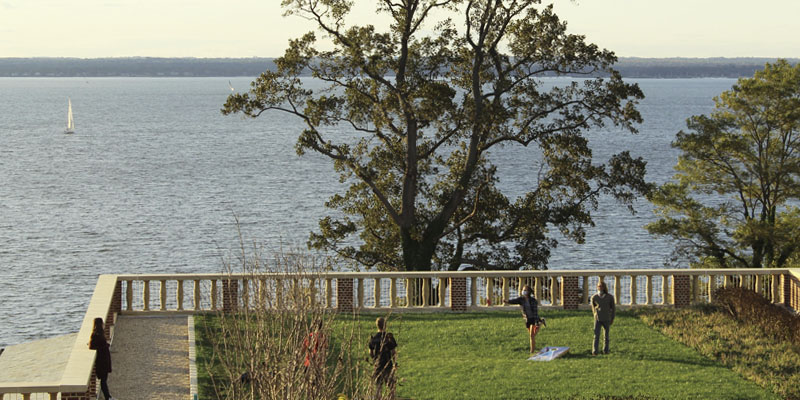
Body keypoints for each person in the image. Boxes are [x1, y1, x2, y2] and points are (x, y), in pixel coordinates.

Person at [504, 285, 542, 353]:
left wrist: (536, 320)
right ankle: (541, 323)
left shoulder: (533, 301)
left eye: (525, 290)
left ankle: (532, 351)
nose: (523, 291)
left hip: (533, 318)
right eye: (523, 290)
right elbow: (514, 301)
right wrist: (507, 301)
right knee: (532, 335)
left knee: (532, 336)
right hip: (527, 320)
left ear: (528, 292)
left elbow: (535, 312)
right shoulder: (521, 299)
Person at [368, 317, 397, 399]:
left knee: (378, 387)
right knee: (391, 387)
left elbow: (370, 352)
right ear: (385, 325)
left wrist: (374, 360)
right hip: (388, 364)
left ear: (377, 326)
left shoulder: (373, 339)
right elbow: (393, 352)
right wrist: (394, 364)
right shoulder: (389, 338)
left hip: (378, 365)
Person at [88, 317, 115, 400]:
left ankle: (108, 396)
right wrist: (105, 346)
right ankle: (108, 397)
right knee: (103, 381)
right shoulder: (97, 335)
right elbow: (92, 346)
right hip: (102, 360)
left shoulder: (98, 334)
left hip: (104, 359)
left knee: (104, 380)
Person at [591, 281, 615, 355]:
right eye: (598, 286)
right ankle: (595, 351)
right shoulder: (594, 297)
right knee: (596, 335)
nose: (600, 288)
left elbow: (613, 308)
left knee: (606, 336)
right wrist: (595, 315)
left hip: (607, 318)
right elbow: (593, 308)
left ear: (604, 287)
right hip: (598, 318)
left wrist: (612, 318)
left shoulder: (610, 297)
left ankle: (606, 350)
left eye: (601, 286)